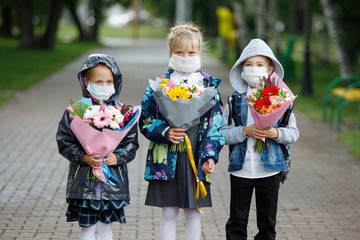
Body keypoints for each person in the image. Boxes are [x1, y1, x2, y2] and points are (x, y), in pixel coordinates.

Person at [139, 23, 225, 240]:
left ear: (199, 53)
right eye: (179, 52)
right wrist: (164, 131)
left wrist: (210, 156)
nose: (185, 56)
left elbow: (216, 125)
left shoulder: (208, 87)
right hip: (167, 157)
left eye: (191, 52)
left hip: (196, 155)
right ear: (170, 53)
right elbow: (145, 120)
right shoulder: (159, 86)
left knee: (193, 211)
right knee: (168, 211)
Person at [222, 39, 299, 240]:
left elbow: (293, 133)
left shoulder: (279, 98)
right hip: (241, 169)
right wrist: (244, 131)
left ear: (270, 68)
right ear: (240, 68)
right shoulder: (234, 99)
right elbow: (222, 133)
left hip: (270, 169)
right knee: (237, 220)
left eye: (259, 65)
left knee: (267, 223)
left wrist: (276, 134)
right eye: (248, 65)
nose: (253, 69)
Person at [56, 54, 139, 240]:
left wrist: (118, 157)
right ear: (86, 82)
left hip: (112, 184)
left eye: (109, 81)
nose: (104, 86)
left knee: (106, 227)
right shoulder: (76, 111)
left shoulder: (122, 112)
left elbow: (131, 143)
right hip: (84, 182)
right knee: (86, 228)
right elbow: (64, 141)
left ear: (116, 82)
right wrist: (83, 157)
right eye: (99, 81)